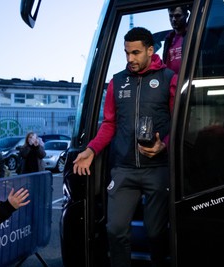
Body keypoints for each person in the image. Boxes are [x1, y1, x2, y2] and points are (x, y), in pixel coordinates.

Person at [73, 27, 177, 267]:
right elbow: (109, 123)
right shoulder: (117, 81)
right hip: (124, 169)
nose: (130, 58)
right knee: (115, 229)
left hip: (158, 169)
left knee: (155, 233)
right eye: (126, 53)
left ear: (150, 51)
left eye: (136, 52)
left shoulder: (168, 78)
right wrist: (91, 150)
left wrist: (165, 146)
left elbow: (178, 121)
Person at [162, 6, 190, 74]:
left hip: (187, 81)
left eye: (178, 16)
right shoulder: (168, 39)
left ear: (186, 15)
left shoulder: (191, 34)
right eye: (171, 16)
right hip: (170, 82)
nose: (174, 19)